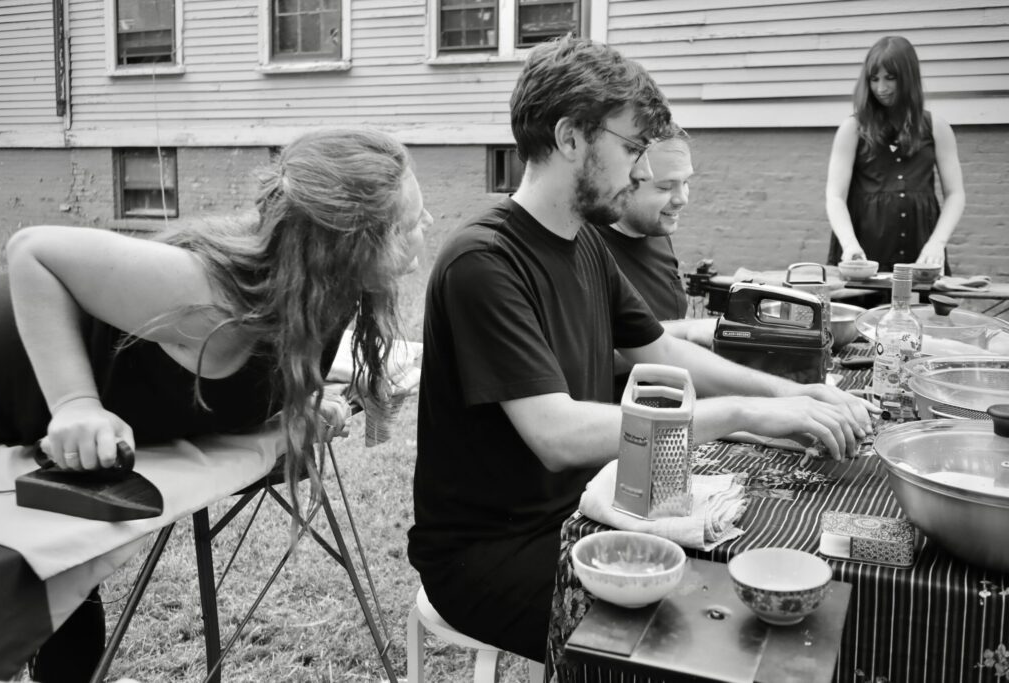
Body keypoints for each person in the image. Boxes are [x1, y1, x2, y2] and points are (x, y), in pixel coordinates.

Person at [409, 36, 876, 664]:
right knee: (713, 634)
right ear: (571, 137)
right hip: (491, 554)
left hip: (587, 510)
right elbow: (560, 434)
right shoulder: (483, 262)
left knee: (766, 585)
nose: (639, 170)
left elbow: (661, 351)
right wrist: (743, 414)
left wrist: (792, 396)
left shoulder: (585, 242)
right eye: (632, 148)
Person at [0, 127, 431, 681]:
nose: (426, 227)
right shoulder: (215, 298)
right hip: (0, 374)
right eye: (409, 223)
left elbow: (250, 383)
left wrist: (295, 409)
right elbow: (32, 252)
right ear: (351, 242)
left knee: (69, 586)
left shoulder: (325, 288)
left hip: (47, 422)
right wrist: (75, 403)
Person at [825, 35, 965, 273]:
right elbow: (835, 196)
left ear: (908, 78)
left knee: (922, 309)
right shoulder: (852, 129)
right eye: (874, 79)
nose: (881, 88)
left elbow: (955, 194)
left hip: (921, 252)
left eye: (891, 78)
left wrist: (936, 244)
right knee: (860, 310)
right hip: (864, 252)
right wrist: (849, 245)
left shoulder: (936, 128)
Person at [593, 129, 717, 349]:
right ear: (622, 183)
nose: (682, 199)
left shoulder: (657, 234)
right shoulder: (587, 249)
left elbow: (672, 315)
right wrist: (688, 333)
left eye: (686, 182)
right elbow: (592, 355)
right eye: (665, 187)